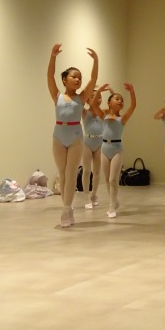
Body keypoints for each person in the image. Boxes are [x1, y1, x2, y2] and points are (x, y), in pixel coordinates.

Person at [47, 44, 99, 228]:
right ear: (64, 80)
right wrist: (53, 56)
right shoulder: (57, 96)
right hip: (58, 137)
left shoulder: (82, 97)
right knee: (62, 174)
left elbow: (93, 79)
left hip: (76, 137)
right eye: (74, 77)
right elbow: (49, 77)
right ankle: (67, 208)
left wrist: (96, 60)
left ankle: (66, 209)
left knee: (71, 173)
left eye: (79, 77)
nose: (78, 80)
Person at [100, 83, 137, 219]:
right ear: (109, 103)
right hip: (104, 148)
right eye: (117, 99)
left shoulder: (123, 119)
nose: (120, 101)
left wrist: (132, 92)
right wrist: (99, 91)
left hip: (117, 149)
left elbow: (133, 106)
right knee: (107, 179)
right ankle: (114, 201)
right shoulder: (103, 115)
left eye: (122, 100)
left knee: (113, 179)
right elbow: (93, 104)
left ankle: (111, 206)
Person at [82, 84, 110, 210]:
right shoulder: (84, 112)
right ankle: (86, 195)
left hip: (100, 142)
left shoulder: (103, 112)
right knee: (87, 171)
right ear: (88, 99)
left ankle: (94, 194)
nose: (96, 99)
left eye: (99, 97)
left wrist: (111, 91)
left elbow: (114, 105)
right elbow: (80, 101)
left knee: (97, 171)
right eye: (93, 97)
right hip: (87, 142)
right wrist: (91, 89)